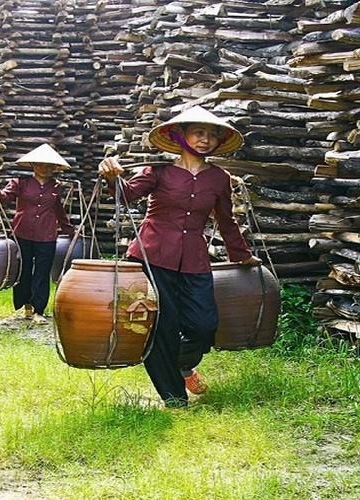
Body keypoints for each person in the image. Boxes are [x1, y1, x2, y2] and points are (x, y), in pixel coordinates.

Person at [98, 106, 261, 408]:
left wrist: (242, 255)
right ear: (180, 135)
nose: (205, 139)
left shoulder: (218, 178)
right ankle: (173, 398)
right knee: (163, 326)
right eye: (199, 132)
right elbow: (125, 195)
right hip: (151, 256)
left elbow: (226, 220)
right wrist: (112, 177)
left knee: (204, 324)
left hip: (194, 260)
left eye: (212, 135)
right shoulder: (157, 172)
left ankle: (184, 365)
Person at [0, 144, 75, 323]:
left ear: (54, 168)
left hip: (46, 235)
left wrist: (69, 229)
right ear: (33, 165)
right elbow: (3, 197)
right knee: (23, 270)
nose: (45, 168)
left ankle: (39, 310)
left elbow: (58, 209)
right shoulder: (20, 183)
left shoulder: (56, 186)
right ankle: (26, 306)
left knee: (42, 271)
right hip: (23, 232)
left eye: (49, 166)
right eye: (40, 165)